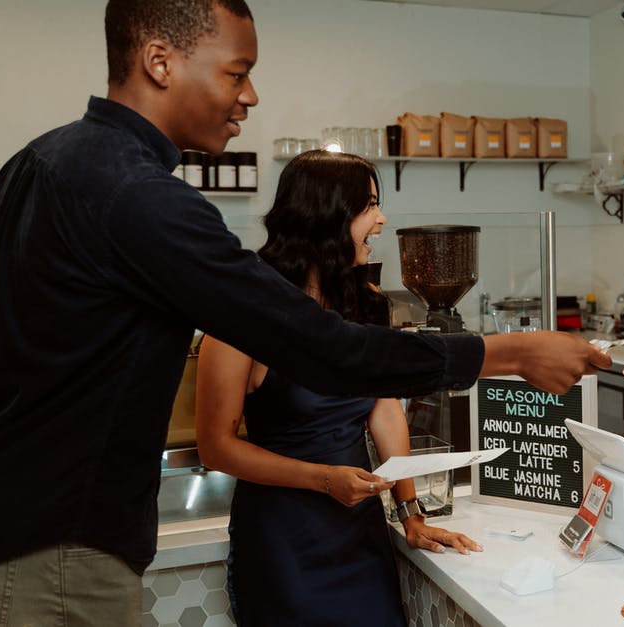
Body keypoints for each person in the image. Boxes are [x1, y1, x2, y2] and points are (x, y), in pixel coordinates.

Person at [0, 1, 608, 624]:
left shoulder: (39, 161)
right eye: (236, 73)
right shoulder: (143, 196)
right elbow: (323, 348)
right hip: (51, 552)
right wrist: (507, 352)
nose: (250, 95)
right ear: (159, 61)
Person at [196, 150, 480, 626]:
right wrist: (323, 479)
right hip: (283, 542)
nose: (382, 219)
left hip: (357, 534)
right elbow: (215, 448)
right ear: (325, 214)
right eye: (369, 205)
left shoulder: (364, 301)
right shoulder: (244, 313)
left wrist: (410, 511)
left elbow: (385, 409)